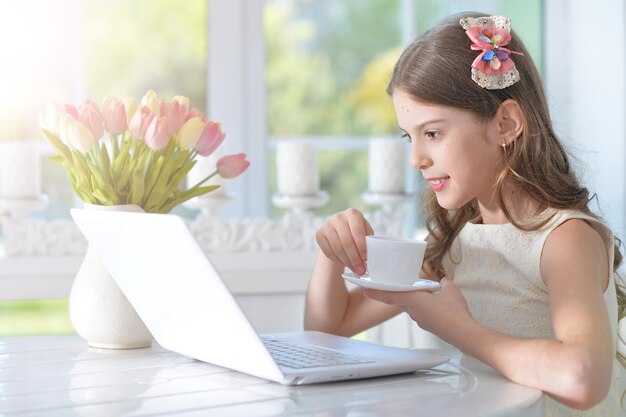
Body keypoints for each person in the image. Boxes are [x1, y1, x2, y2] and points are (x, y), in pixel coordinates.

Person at [304, 12, 624, 416]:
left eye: (433, 133)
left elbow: (583, 379)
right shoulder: (458, 246)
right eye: (410, 136)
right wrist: (331, 253)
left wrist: (458, 328)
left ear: (505, 124)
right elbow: (325, 333)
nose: (416, 159)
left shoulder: (564, 240)